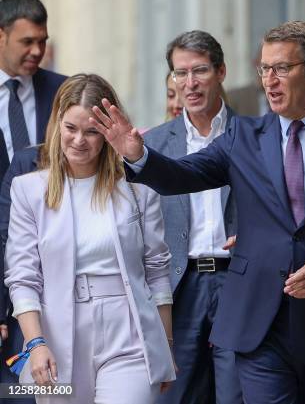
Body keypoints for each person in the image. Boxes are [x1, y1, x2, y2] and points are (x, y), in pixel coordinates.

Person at [90, 20, 305, 404]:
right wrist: (137, 154)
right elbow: (182, 175)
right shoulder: (243, 137)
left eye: (281, 68)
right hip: (258, 324)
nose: (269, 80)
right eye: (264, 69)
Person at [4, 73, 176, 403]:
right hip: (58, 338)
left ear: (108, 131)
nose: (80, 140)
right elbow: (23, 277)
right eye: (71, 128)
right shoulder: (28, 191)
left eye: (92, 131)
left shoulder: (138, 190)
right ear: (57, 124)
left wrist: (165, 345)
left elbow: (156, 270)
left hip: (130, 334)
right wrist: (35, 344)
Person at [150, 30, 242, 404]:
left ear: (221, 71)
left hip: (237, 281)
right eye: (179, 73)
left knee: (236, 393)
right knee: (179, 395)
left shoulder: (254, 134)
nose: (189, 83)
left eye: (199, 71)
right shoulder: (154, 145)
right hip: (179, 286)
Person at [0, 0, 66, 390]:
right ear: (1, 35)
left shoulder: (62, 92)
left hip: (43, 263)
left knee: (39, 387)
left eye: (42, 40)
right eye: (26, 41)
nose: (37, 51)